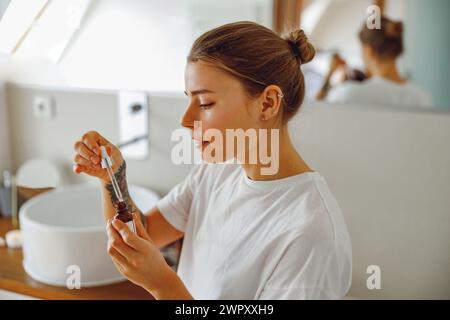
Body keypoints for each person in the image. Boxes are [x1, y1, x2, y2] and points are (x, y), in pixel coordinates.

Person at [72, 21, 352, 300]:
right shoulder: (217, 171)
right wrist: (113, 178)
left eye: (205, 103)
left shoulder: (311, 234)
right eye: (189, 100)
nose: (185, 120)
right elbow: (147, 232)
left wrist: (163, 286)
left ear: (267, 103)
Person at [317, 17, 432, 107]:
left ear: (368, 51)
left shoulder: (348, 94)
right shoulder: (423, 99)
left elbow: (317, 115)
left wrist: (330, 75)